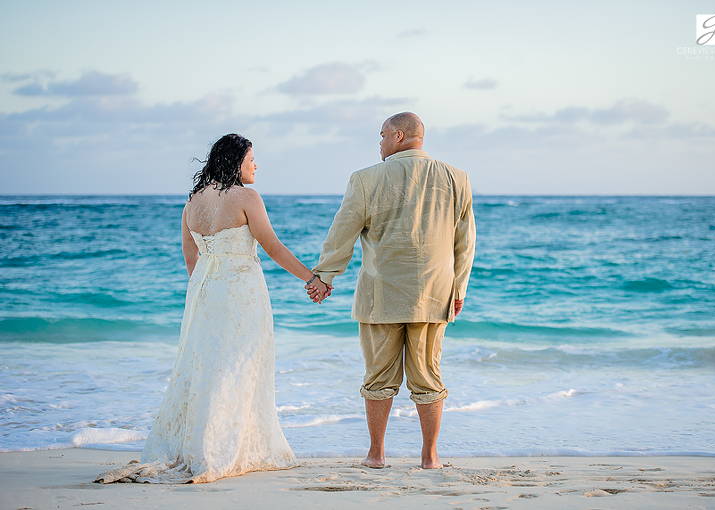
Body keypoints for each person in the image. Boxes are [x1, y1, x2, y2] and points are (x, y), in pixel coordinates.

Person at [97, 134, 329, 484]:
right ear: (237, 161)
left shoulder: (193, 202)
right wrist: (313, 277)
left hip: (204, 292)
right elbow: (273, 247)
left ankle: (197, 444)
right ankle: (224, 447)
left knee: (204, 365)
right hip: (242, 291)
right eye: (252, 158)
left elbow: (191, 257)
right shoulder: (247, 197)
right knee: (240, 363)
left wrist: (205, 291)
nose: (256, 165)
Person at [306, 112, 476, 469]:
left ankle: (376, 455)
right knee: (428, 377)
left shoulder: (366, 179)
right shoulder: (457, 178)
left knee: (379, 377)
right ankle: (430, 458)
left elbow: (343, 233)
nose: (380, 142)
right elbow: (466, 241)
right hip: (433, 294)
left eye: (382, 135)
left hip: (379, 295)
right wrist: (458, 288)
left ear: (399, 136)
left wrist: (325, 276)